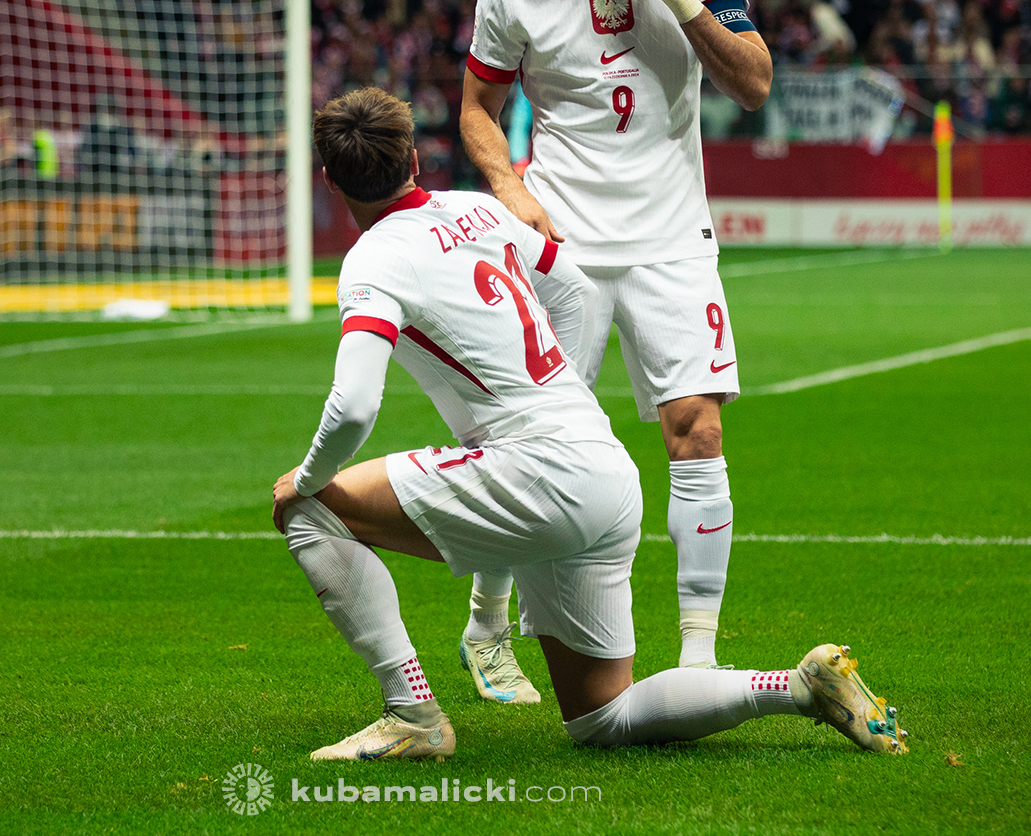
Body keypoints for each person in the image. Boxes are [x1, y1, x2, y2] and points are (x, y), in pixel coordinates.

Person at [270, 87, 909, 760]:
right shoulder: (478, 209)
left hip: (535, 473)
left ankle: (413, 716)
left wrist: (307, 478)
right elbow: (571, 287)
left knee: (311, 511)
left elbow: (354, 405)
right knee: (603, 718)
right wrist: (561, 397)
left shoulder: (372, 260)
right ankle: (799, 686)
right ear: (414, 160)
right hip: (600, 469)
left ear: (330, 180)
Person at [457, 0, 772, 695]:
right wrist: (512, 191)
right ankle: (486, 629)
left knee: (698, 431)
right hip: (563, 244)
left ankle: (701, 658)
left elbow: (752, 84)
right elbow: (476, 108)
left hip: (672, 236)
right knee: (530, 441)